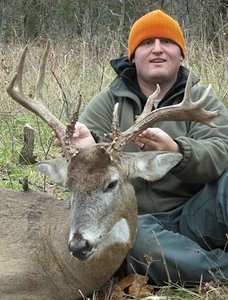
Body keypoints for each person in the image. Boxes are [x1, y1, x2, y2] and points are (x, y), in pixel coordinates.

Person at [70, 10, 228, 284]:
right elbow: (84, 184)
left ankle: (189, 258)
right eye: (146, 43)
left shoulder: (201, 100)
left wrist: (178, 152)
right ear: (133, 56)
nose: (157, 49)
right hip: (142, 222)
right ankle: (217, 269)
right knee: (133, 242)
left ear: (181, 54)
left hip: (196, 212)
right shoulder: (107, 103)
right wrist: (85, 152)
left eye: (167, 42)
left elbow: (221, 152)